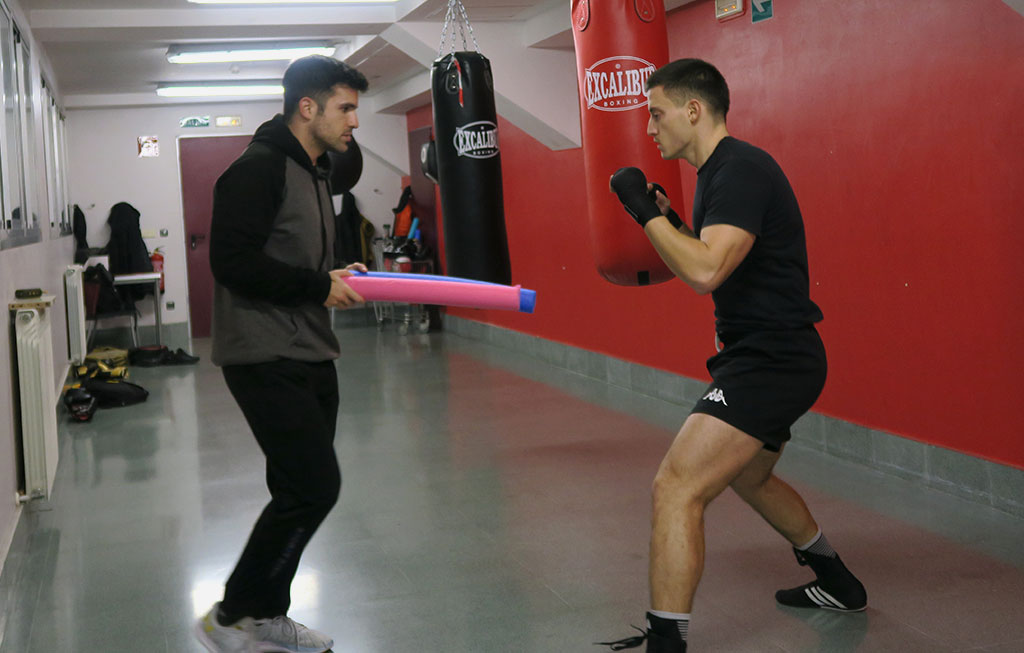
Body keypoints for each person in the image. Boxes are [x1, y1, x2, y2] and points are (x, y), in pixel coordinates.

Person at [600, 59, 866, 652]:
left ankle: (667, 643)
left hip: (771, 359)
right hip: (771, 353)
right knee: (751, 475)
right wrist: (667, 217)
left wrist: (642, 213)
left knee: (675, 487)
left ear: (693, 111)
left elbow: (706, 269)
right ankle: (836, 579)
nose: (649, 128)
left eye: (657, 112)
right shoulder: (720, 174)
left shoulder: (740, 170)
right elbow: (713, 255)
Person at [195, 55, 368, 653]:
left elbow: (293, 260)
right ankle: (232, 612)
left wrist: (330, 273)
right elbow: (233, 262)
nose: (353, 121)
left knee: (293, 487)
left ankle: (267, 614)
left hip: (311, 348)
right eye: (345, 108)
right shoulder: (258, 168)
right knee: (313, 487)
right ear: (308, 107)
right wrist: (317, 286)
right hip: (263, 352)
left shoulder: (316, 170)